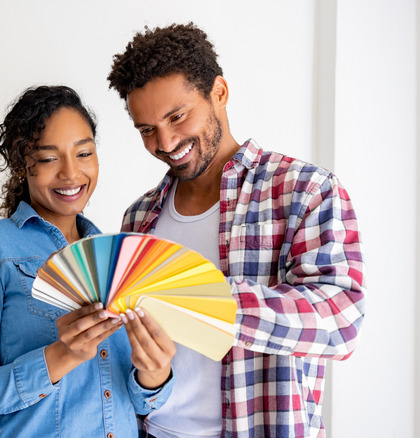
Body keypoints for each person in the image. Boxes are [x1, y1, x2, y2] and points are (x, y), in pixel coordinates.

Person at [106, 23, 366, 438]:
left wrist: (208, 297)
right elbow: (135, 356)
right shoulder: (138, 218)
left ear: (219, 93)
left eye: (177, 116)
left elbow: (340, 322)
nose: (166, 141)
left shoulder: (303, 189)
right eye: (147, 129)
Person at [0, 85, 177, 437]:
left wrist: (155, 375)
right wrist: (62, 355)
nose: (71, 173)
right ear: (22, 163)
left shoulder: (116, 256)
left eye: (83, 153)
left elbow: (137, 402)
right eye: (49, 157)